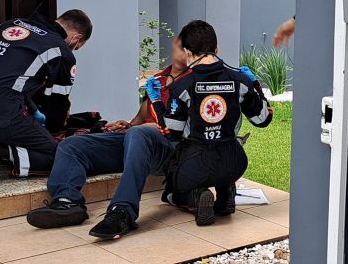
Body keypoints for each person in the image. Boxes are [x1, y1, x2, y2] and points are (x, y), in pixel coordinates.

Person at [87, 20, 273, 239]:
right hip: (235, 163)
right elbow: (263, 120)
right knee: (220, 159)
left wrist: (156, 101)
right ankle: (225, 192)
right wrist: (256, 86)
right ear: (216, 49)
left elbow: (171, 133)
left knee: (173, 188)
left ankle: (194, 195)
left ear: (187, 52)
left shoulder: (183, 86)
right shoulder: (240, 80)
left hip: (196, 165)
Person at [25, 38, 195, 229]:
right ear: (175, 44)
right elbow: (142, 117)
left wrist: (145, 130)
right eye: (184, 45)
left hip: (166, 148)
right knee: (71, 145)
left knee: (138, 135)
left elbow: (187, 129)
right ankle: (67, 202)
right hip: (135, 139)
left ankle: (122, 211)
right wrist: (127, 125)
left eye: (192, 48)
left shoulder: (194, 82)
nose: (188, 51)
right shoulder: (158, 79)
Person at [0, 10, 93, 185]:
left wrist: (31, 110)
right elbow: (57, 106)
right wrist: (50, 132)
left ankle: (2, 141)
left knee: (11, 110)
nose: (74, 50)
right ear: (76, 38)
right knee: (61, 157)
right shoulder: (60, 51)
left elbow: (3, 74)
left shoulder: (9, 24)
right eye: (77, 47)